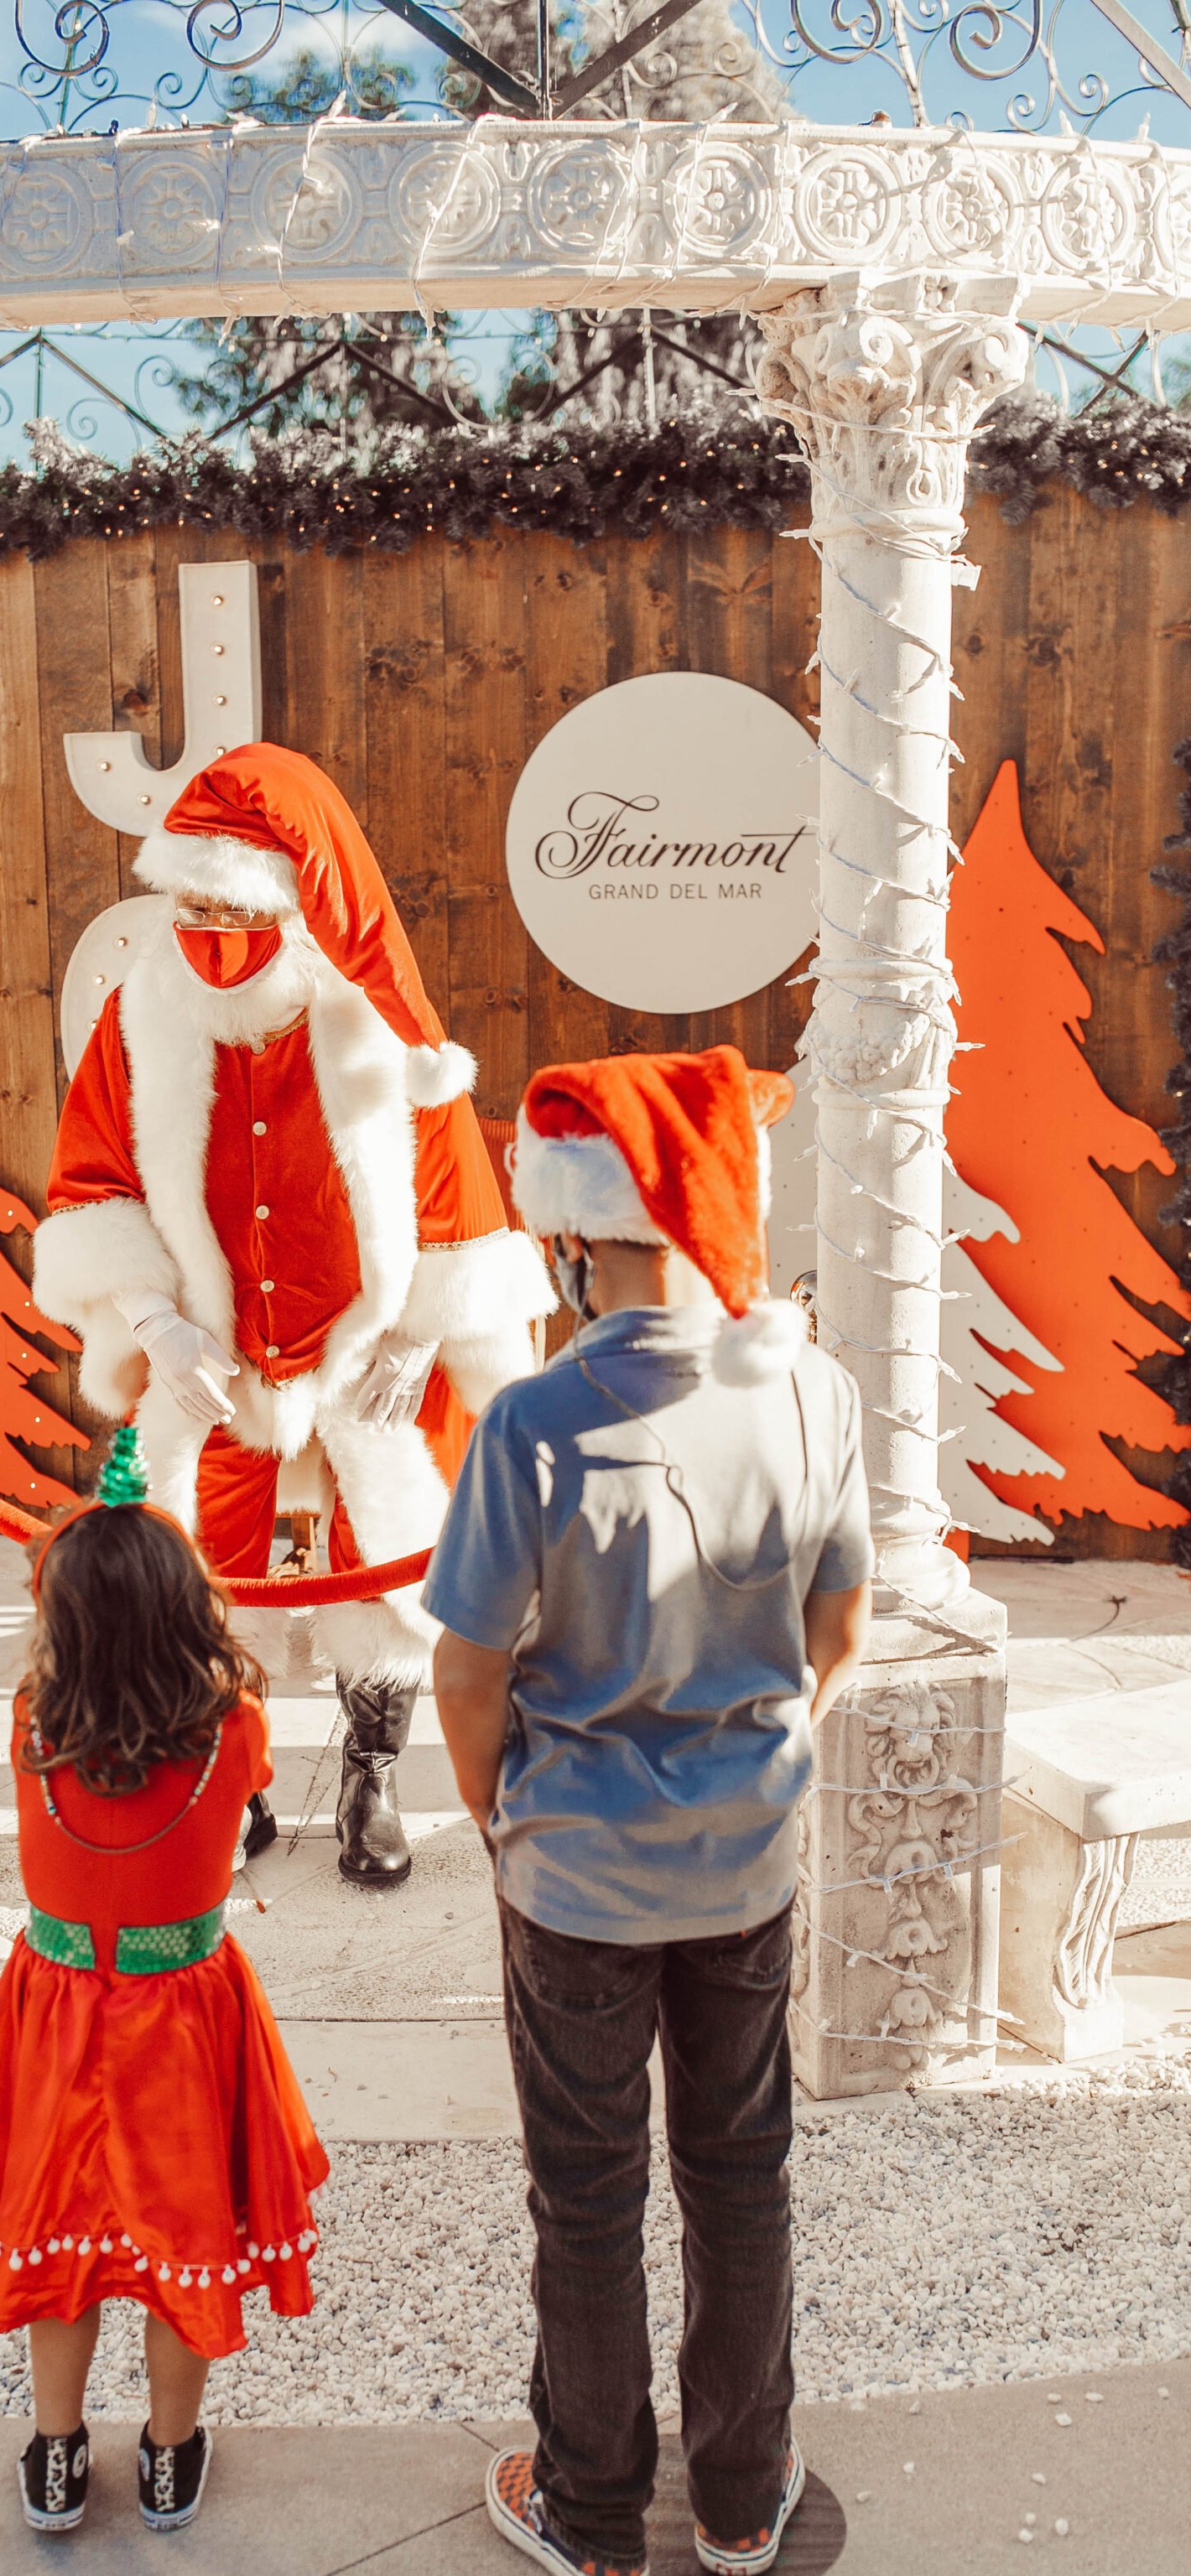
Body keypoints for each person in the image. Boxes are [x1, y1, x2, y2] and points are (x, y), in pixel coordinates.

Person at [425, 1048, 873, 2576]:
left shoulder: (532, 1424)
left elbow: (470, 1675)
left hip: (577, 1883)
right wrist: (767, 1753)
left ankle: (595, 2516)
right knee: (742, 2177)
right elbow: (842, 1631)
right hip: (746, 1866)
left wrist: (502, 1822)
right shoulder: (815, 1391)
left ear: (579, 1235)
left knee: (589, 2197)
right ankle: (744, 2502)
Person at [34, 741, 551, 1888]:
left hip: (362, 1351)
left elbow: (456, 1200)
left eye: (236, 903)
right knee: (203, 1566)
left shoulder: (374, 1032)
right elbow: (94, 1180)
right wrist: (153, 1322)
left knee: (392, 1565)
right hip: (211, 1359)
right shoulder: (136, 1017)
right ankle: (238, 1771)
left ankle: (374, 1771)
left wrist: (422, 1335)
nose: (211, 926)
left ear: (294, 901)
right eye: (192, 900)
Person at [0, 1426, 328, 2537]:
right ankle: (165, 2454)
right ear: (185, 1607)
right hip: (187, 2016)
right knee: (180, 2247)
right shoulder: (233, 1726)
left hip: (57, 2008)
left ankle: (58, 2455)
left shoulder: (31, 1724)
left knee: (54, 2241)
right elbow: (238, 1790)